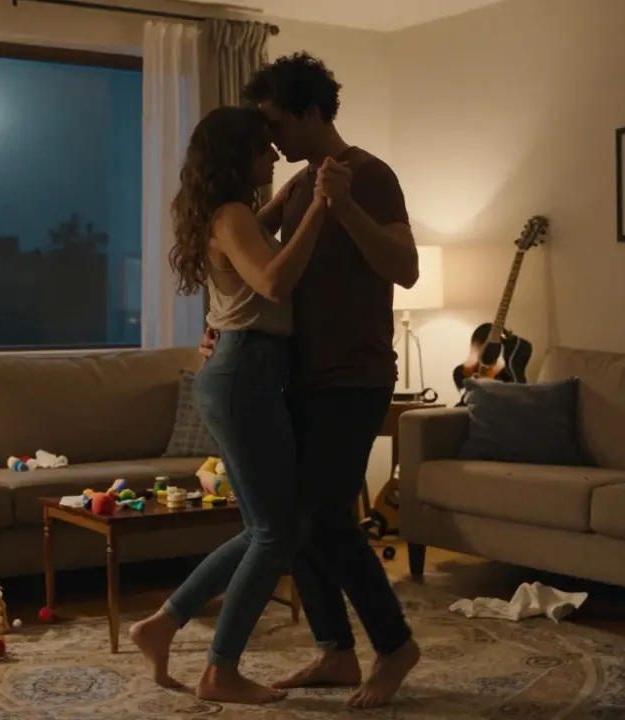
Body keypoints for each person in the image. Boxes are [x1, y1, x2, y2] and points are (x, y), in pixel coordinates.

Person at [203, 51, 423, 709]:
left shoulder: (371, 175)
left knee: (326, 517)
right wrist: (220, 325)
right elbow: (240, 260)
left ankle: (395, 645)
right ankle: (334, 650)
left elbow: (406, 268)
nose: (268, 138)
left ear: (309, 112)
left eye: (275, 121)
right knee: (292, 522)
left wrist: (346, 207)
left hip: (354, 374)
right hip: (293, 376)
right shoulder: (294, 188)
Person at [128, 105, 341, 705]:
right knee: (276, 534)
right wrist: (321, 208)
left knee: (265, 529)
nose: (273, 155)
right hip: (244, 373)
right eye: (261, 148)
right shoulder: (230, 215)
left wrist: (292, 199)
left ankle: (162, 625)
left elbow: (257, 245)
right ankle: (221, 669)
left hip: (240, 371)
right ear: (235, 155)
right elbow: (273, 282)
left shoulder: (229, 214)